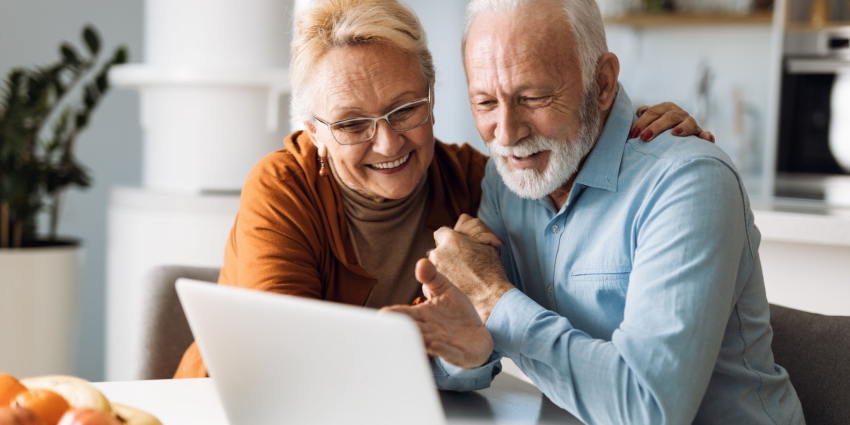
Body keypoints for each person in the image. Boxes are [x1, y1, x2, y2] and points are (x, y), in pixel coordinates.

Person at [384, 0, 839, 425]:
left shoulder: (687, 182)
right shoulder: (508, 178)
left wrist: (495, 303)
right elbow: (477, 340)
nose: (508, 134)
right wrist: (465, 352)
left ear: (602, 84)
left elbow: (649, 418)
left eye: (533, 97)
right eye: (486, 103)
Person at [173, 0, 709, 380]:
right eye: (352, 124)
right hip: (230, 414)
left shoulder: (479, 181)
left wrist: (624, 123)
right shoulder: (282, 186)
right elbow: (288, 366)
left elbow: (562, 162)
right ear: (313, 132)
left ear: (432, 96)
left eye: (405, 109)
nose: (387, 142)